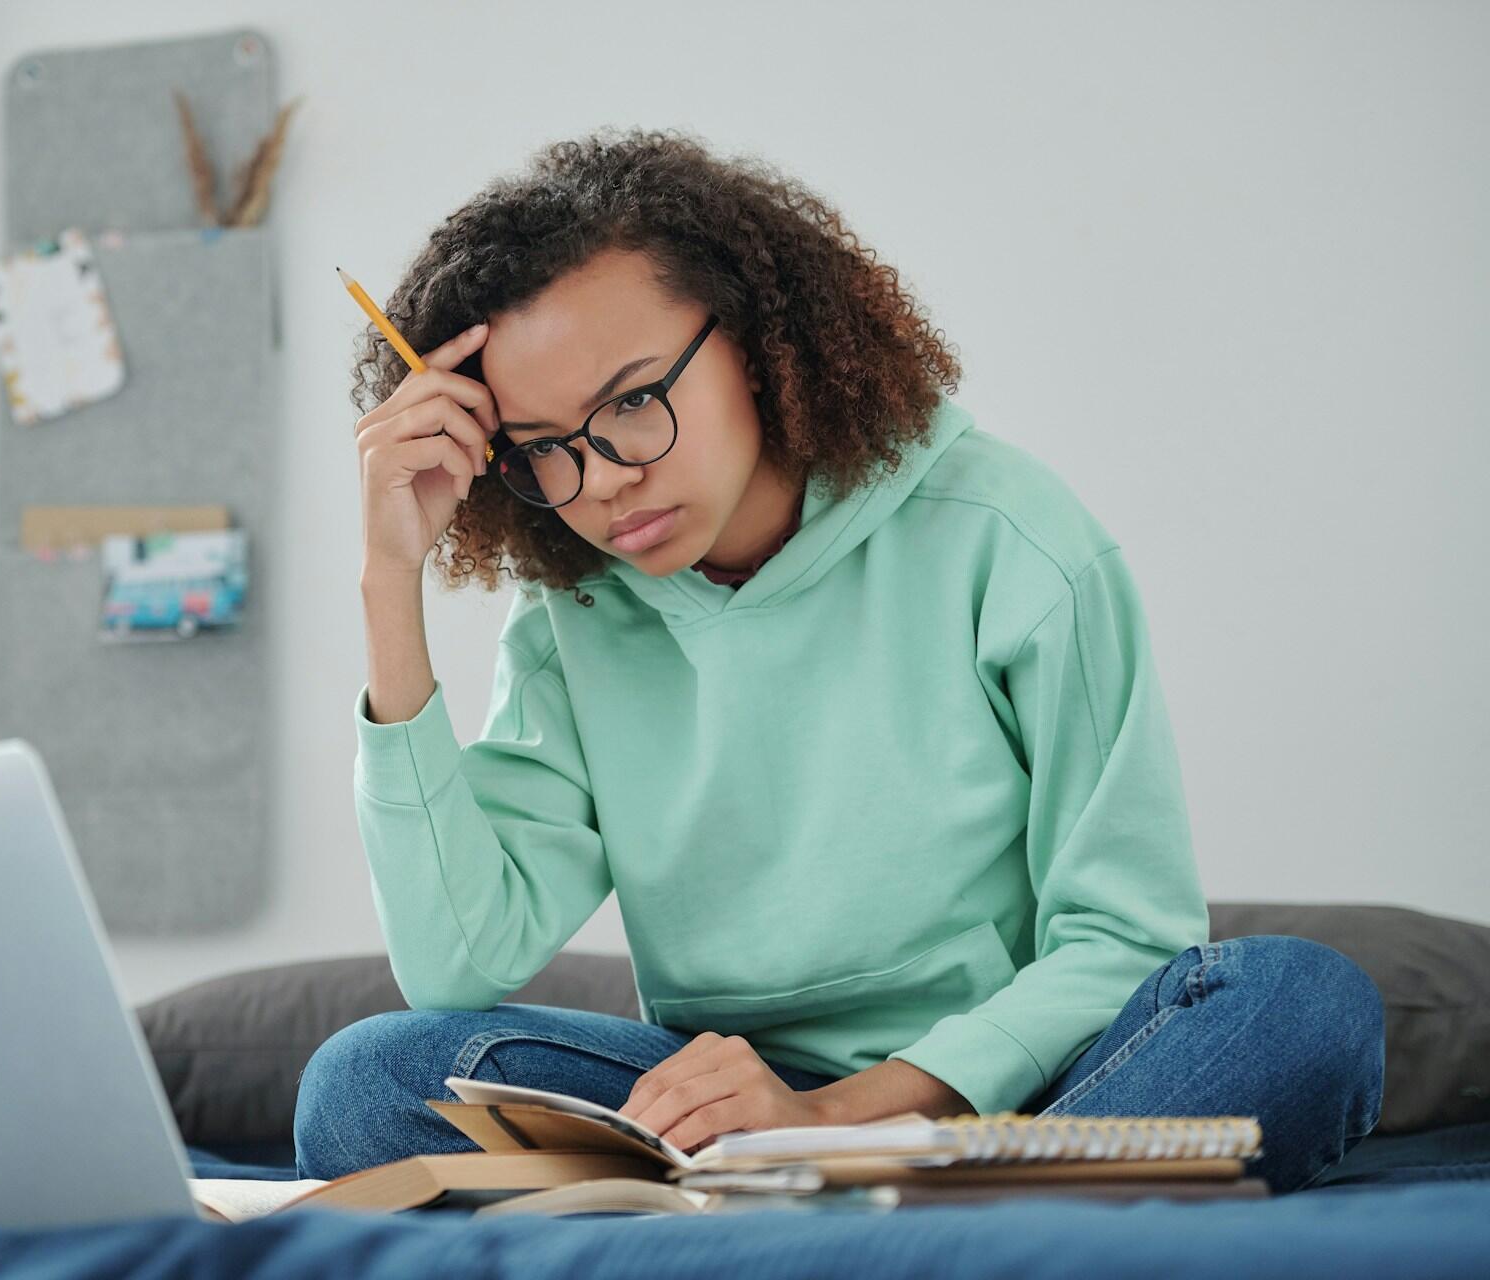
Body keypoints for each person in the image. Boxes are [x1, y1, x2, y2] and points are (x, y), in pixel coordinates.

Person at [296, 128, 1383, 1194]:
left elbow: (1123, 936)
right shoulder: (574, 617)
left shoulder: (1009, 538)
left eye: (632, 401)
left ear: (761, 345)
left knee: (1299, 1000)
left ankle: (890, 1201)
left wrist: (831, 1117)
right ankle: (981, 1222)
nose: (603, 478)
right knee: (365, 1081)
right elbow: (455, 961)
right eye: (543, 445)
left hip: (1031, 1087)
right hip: (736, 1119)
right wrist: (389, 582)